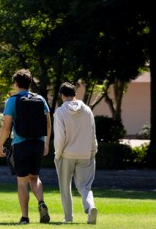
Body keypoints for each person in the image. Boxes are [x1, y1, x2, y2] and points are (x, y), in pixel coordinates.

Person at [0, 69, 52, 224]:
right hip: (38, 143)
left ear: (16, 83)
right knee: (35, 178)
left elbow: (6, 127)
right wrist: (46, 143)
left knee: (22, 182)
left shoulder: (12, 101)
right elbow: (48, 122)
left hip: (21, 144)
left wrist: (0, 144)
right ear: (30, 83)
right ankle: (41, 202)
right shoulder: (40, 99)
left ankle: (25, 217)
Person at [53, 82, 98, 224]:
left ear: (62, 96)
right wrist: (92, 151)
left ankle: (68, 217)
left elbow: (60, 137)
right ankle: (90, 207)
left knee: (65, 187)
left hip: (66, 154)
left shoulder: (60, 111)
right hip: (85, 153)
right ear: (75, 95)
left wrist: (57, 154)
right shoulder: (87, 110)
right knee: (84, 186)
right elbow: (93, 133)